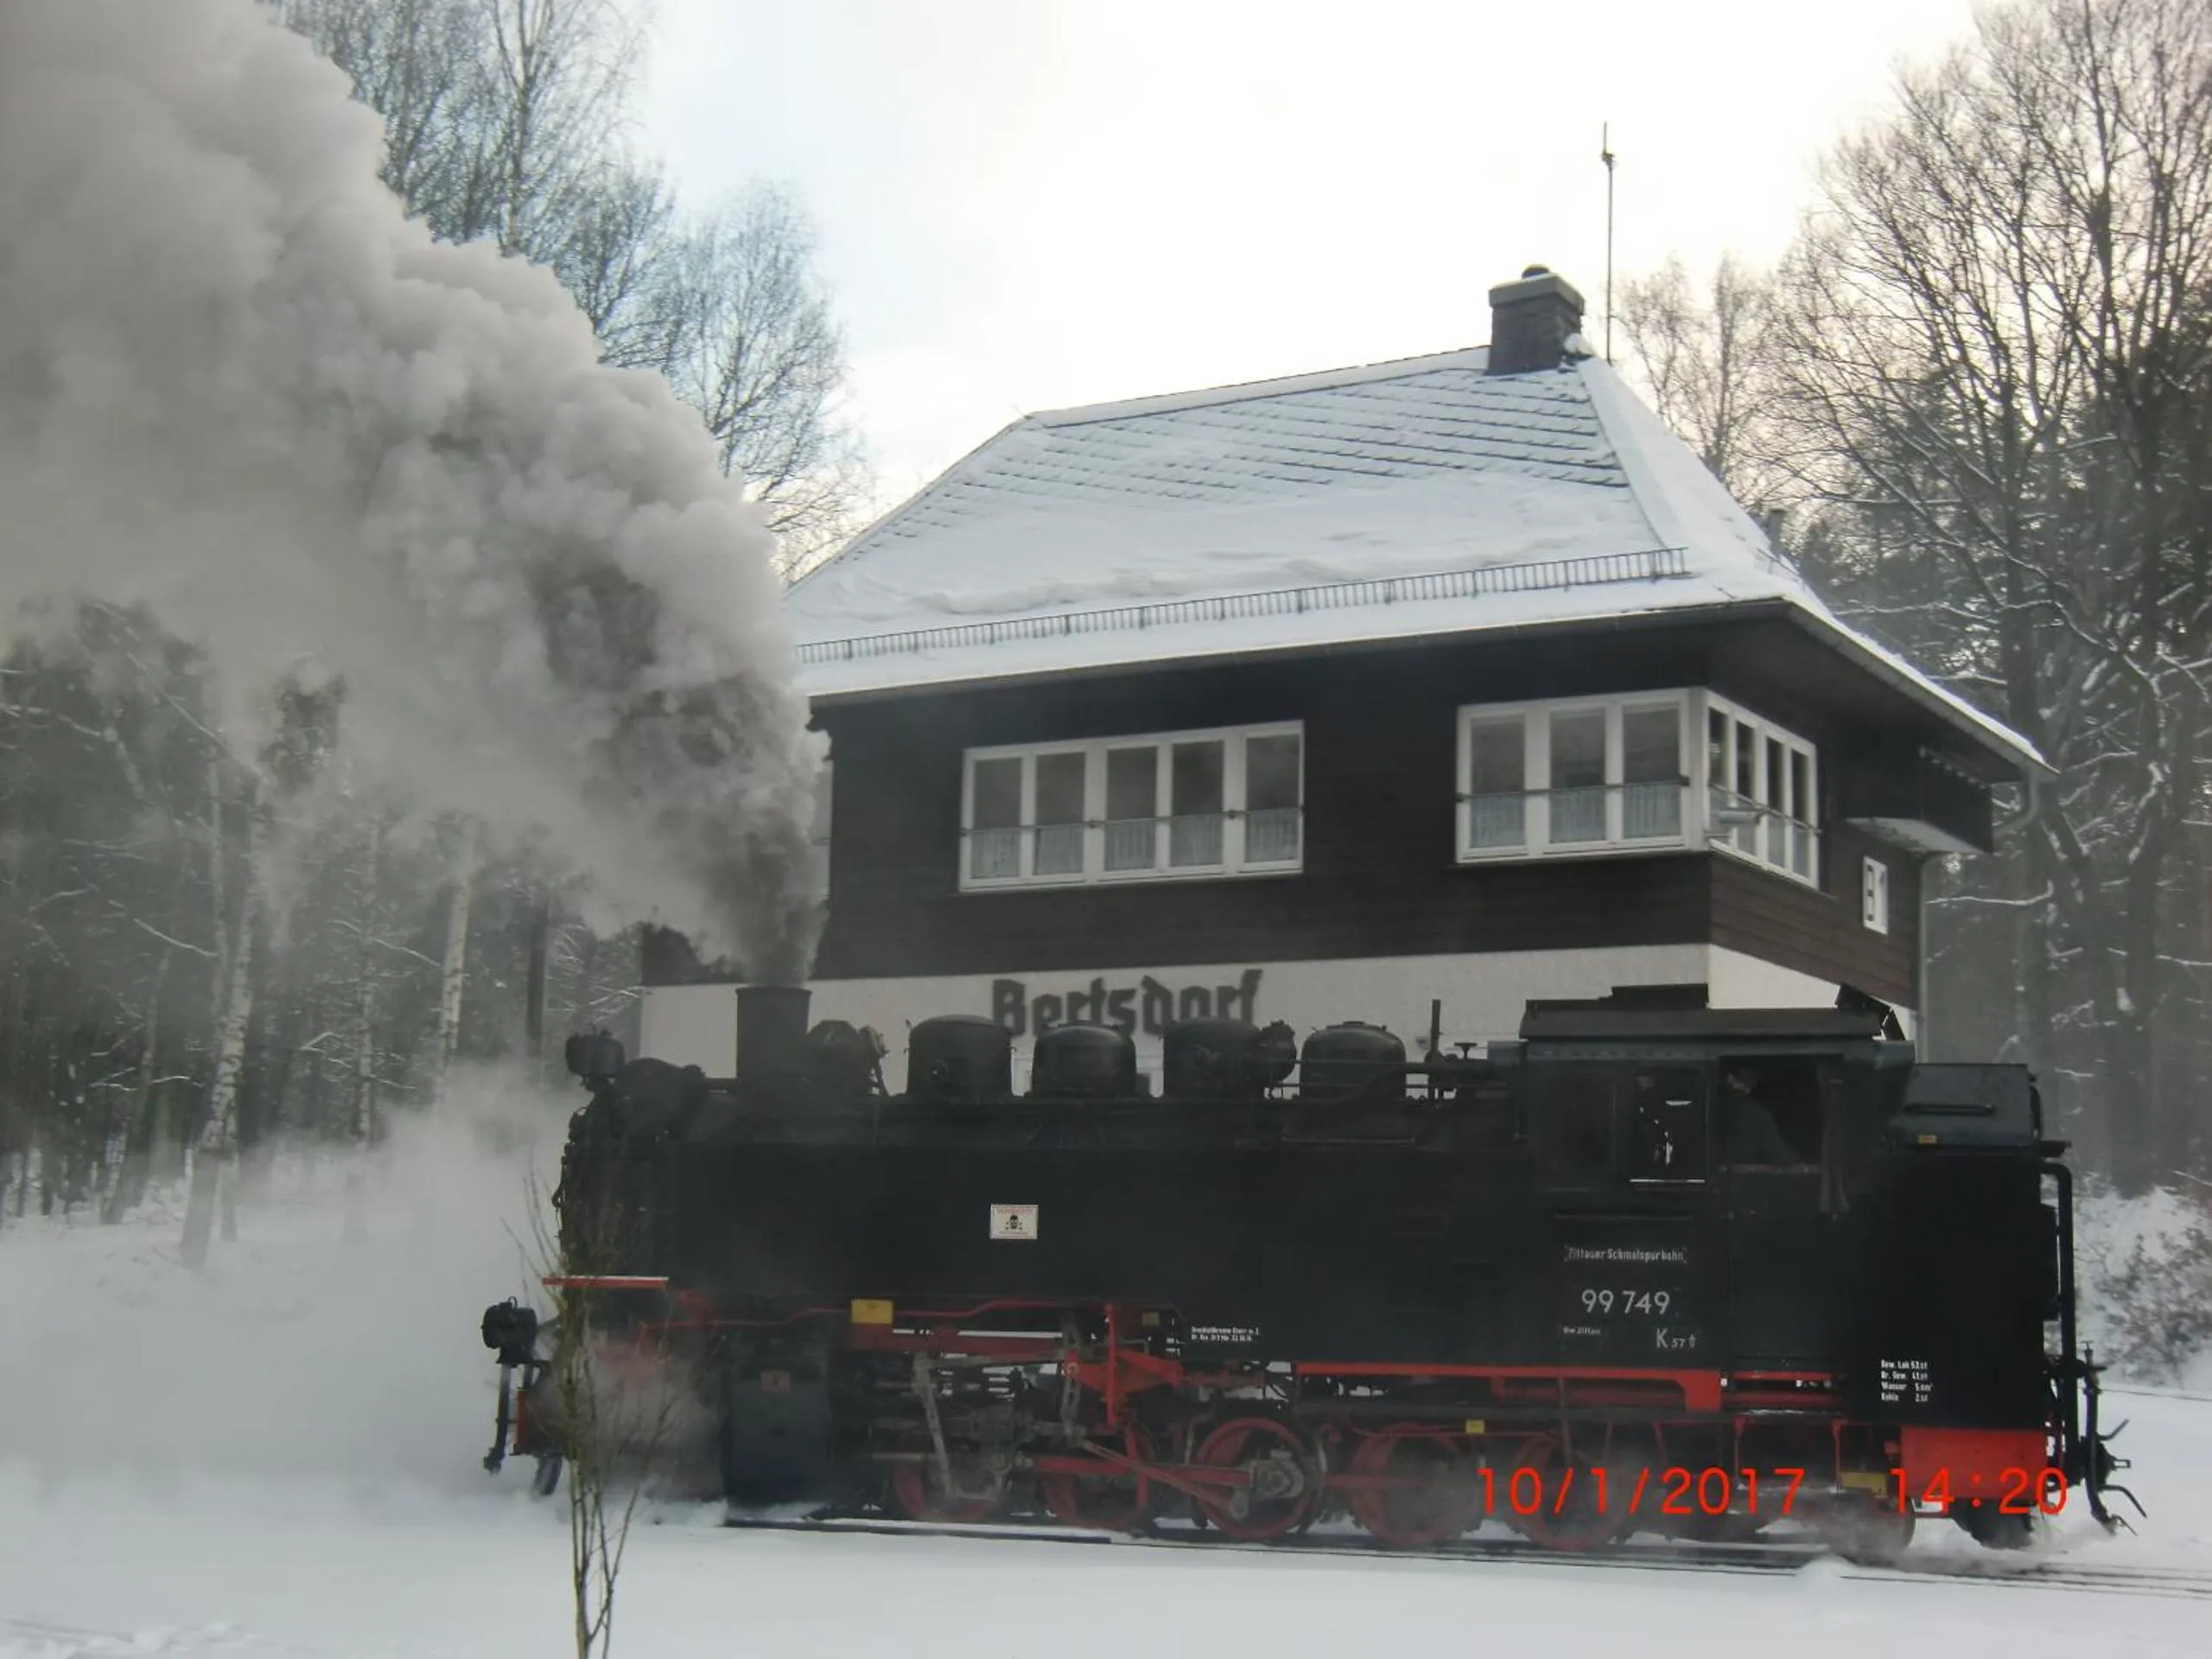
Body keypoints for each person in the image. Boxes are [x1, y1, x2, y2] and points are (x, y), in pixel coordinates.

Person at [1722, 1066, 1798, 1166]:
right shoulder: (1755, 1113)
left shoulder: (1707, 1104)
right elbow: (1777, 1154)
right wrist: (1795, 1161)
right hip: (1742, 1178)